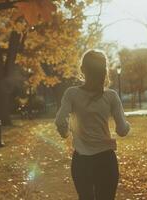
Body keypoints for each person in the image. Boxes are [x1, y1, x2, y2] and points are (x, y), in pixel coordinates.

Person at [55, 49, 130, 200]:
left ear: (83, 69)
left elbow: (59, 121)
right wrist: (127, 125)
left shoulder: (72, 93)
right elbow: (122, 130)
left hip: (82, 161)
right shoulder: (111, 96)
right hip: (106, 161)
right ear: (104, 71)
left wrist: (65, 134)